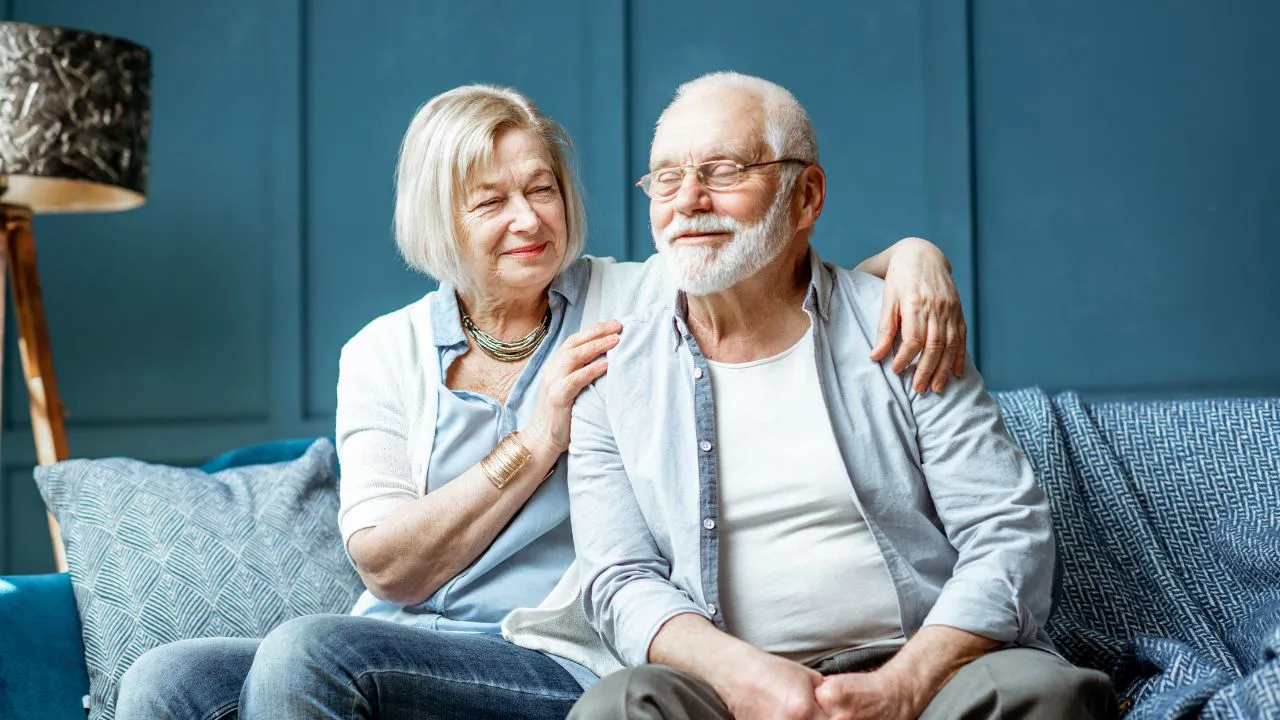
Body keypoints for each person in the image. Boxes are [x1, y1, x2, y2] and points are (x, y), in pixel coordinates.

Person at [114, 82, 968, 719]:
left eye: (543, 189)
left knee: (308, 654)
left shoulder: (633, 295)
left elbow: (778, 275)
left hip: (558, 653)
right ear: (438, 220)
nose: (528, 219)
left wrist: (913, 256)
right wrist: (534, 438)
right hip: (402, 639)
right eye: (490, 201)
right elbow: (388, 565)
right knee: (163, 681)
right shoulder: (382, 352)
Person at [565, 72, 1119, 720]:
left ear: (806, 196)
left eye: (723, 170)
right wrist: (750, 681)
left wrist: (904, 686)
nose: (688, 199)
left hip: (929, 676)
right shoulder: (613, 373)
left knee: (1043, 695)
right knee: (618, 706)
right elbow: (619, 580)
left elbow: (1007, 535)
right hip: (729, 697)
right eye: (665, 177)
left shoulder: (905, 325)